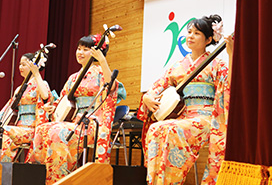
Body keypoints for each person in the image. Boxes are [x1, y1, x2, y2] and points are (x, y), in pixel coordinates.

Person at [137, 14, 234, 184]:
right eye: (189, 32)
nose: (190, 36)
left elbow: (229, 85)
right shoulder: (177, 66)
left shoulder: (217, 64)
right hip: (183, 115)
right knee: (156, 128)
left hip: (206, 117)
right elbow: (157, 86)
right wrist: (148, 97)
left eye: (196, 33)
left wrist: (231, 54)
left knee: (171, 129)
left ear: (208, 39)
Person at [26, 34, 126, 184]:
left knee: (57, 132)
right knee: (43, 129)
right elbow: (62, 101)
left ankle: (59, 179)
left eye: (85, 49)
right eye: (79, 49)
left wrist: (103, 60)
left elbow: (110, 87)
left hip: (92, 122)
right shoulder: (73, 77)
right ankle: (44, 176)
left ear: (95, 52)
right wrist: (52, 108)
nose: (80, 52)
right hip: (74, 121)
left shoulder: (100, 72)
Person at [0, 52, 52, 162]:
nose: (20, 67)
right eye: (20, 64)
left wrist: (37, 74)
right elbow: (9, 107)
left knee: (3, 133)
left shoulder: (41, 83)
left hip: (32, 129)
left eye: (24, 64)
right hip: (18, 128)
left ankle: (0, 168)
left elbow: (45, 96)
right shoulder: (19, 88)